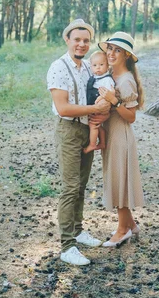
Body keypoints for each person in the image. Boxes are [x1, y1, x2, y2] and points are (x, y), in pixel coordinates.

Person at [46, 19, 111, 265]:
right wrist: (95, 107)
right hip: (69, 131)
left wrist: (101, 113)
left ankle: (78, 230)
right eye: (77, 40)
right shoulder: (58, 67)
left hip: (87, 128)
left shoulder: (87, 67)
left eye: (86, 40)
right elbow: (62, 107)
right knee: (70, 187)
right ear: (67, 40)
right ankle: (67, 246)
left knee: (82, 184)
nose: (82, 44)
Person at [96, 31, 145, 247]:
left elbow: (131, 117)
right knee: (117, 180)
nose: (112, 53)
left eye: (117, 50)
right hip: (111, 133)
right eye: (110, 48)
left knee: (120, 183)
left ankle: (122, 229)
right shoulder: (110, 76)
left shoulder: (126, 80)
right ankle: (131, 225)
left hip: (121, 136)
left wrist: (115, 102)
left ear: (126, 55)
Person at [83, 51, 115, 154]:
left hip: (101, 106)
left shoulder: (107, 79)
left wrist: (100, 99)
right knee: (98, 126)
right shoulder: (95, 77)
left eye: (101, 65)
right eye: (95, 65)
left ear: (107, 65)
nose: (98, 68)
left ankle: (92, 145)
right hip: (94, 106)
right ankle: (102, 142)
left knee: (93, 125)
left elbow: (111, 92)